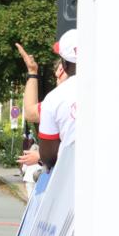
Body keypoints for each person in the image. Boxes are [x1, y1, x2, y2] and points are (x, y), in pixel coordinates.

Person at [16, 28, 77, 169]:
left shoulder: (56, 99)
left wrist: (32, 72)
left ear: (64, 67)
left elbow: (49, 156)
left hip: (69, 177)